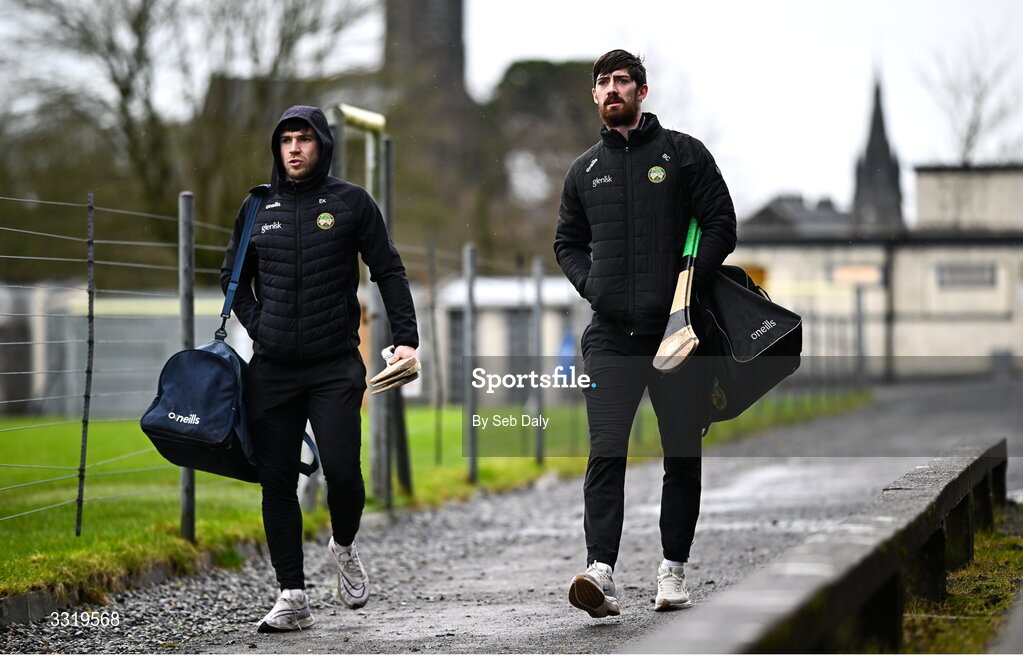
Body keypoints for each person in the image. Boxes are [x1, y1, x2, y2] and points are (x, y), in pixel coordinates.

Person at [221, 105, 418, 632]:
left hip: (335, 364)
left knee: (343, 472)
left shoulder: (351, 202)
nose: (293, 148)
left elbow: (389, 271)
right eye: (285, 139)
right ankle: (292, 595)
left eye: (303, 138)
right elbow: (233, 281)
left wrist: (406, 339)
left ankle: (345, 545)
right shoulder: (257, 207)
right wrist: (264, 328)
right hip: (273, 369)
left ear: (322, 145)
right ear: (276, 147)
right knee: (276, 481)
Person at [554, 50, 736, 617]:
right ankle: (600, 572)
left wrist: (689, 282)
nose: (613, 89)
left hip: (676, 336)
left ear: (642, 90)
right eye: (603, 82)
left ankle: (672, 571)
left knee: (680, 456)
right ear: (595, 95)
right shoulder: (583, 171)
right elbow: (567, 242)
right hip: (610, 336)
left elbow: (721, 223)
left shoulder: (682, 155)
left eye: (623, 81)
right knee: (605, 453)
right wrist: (595, 288)